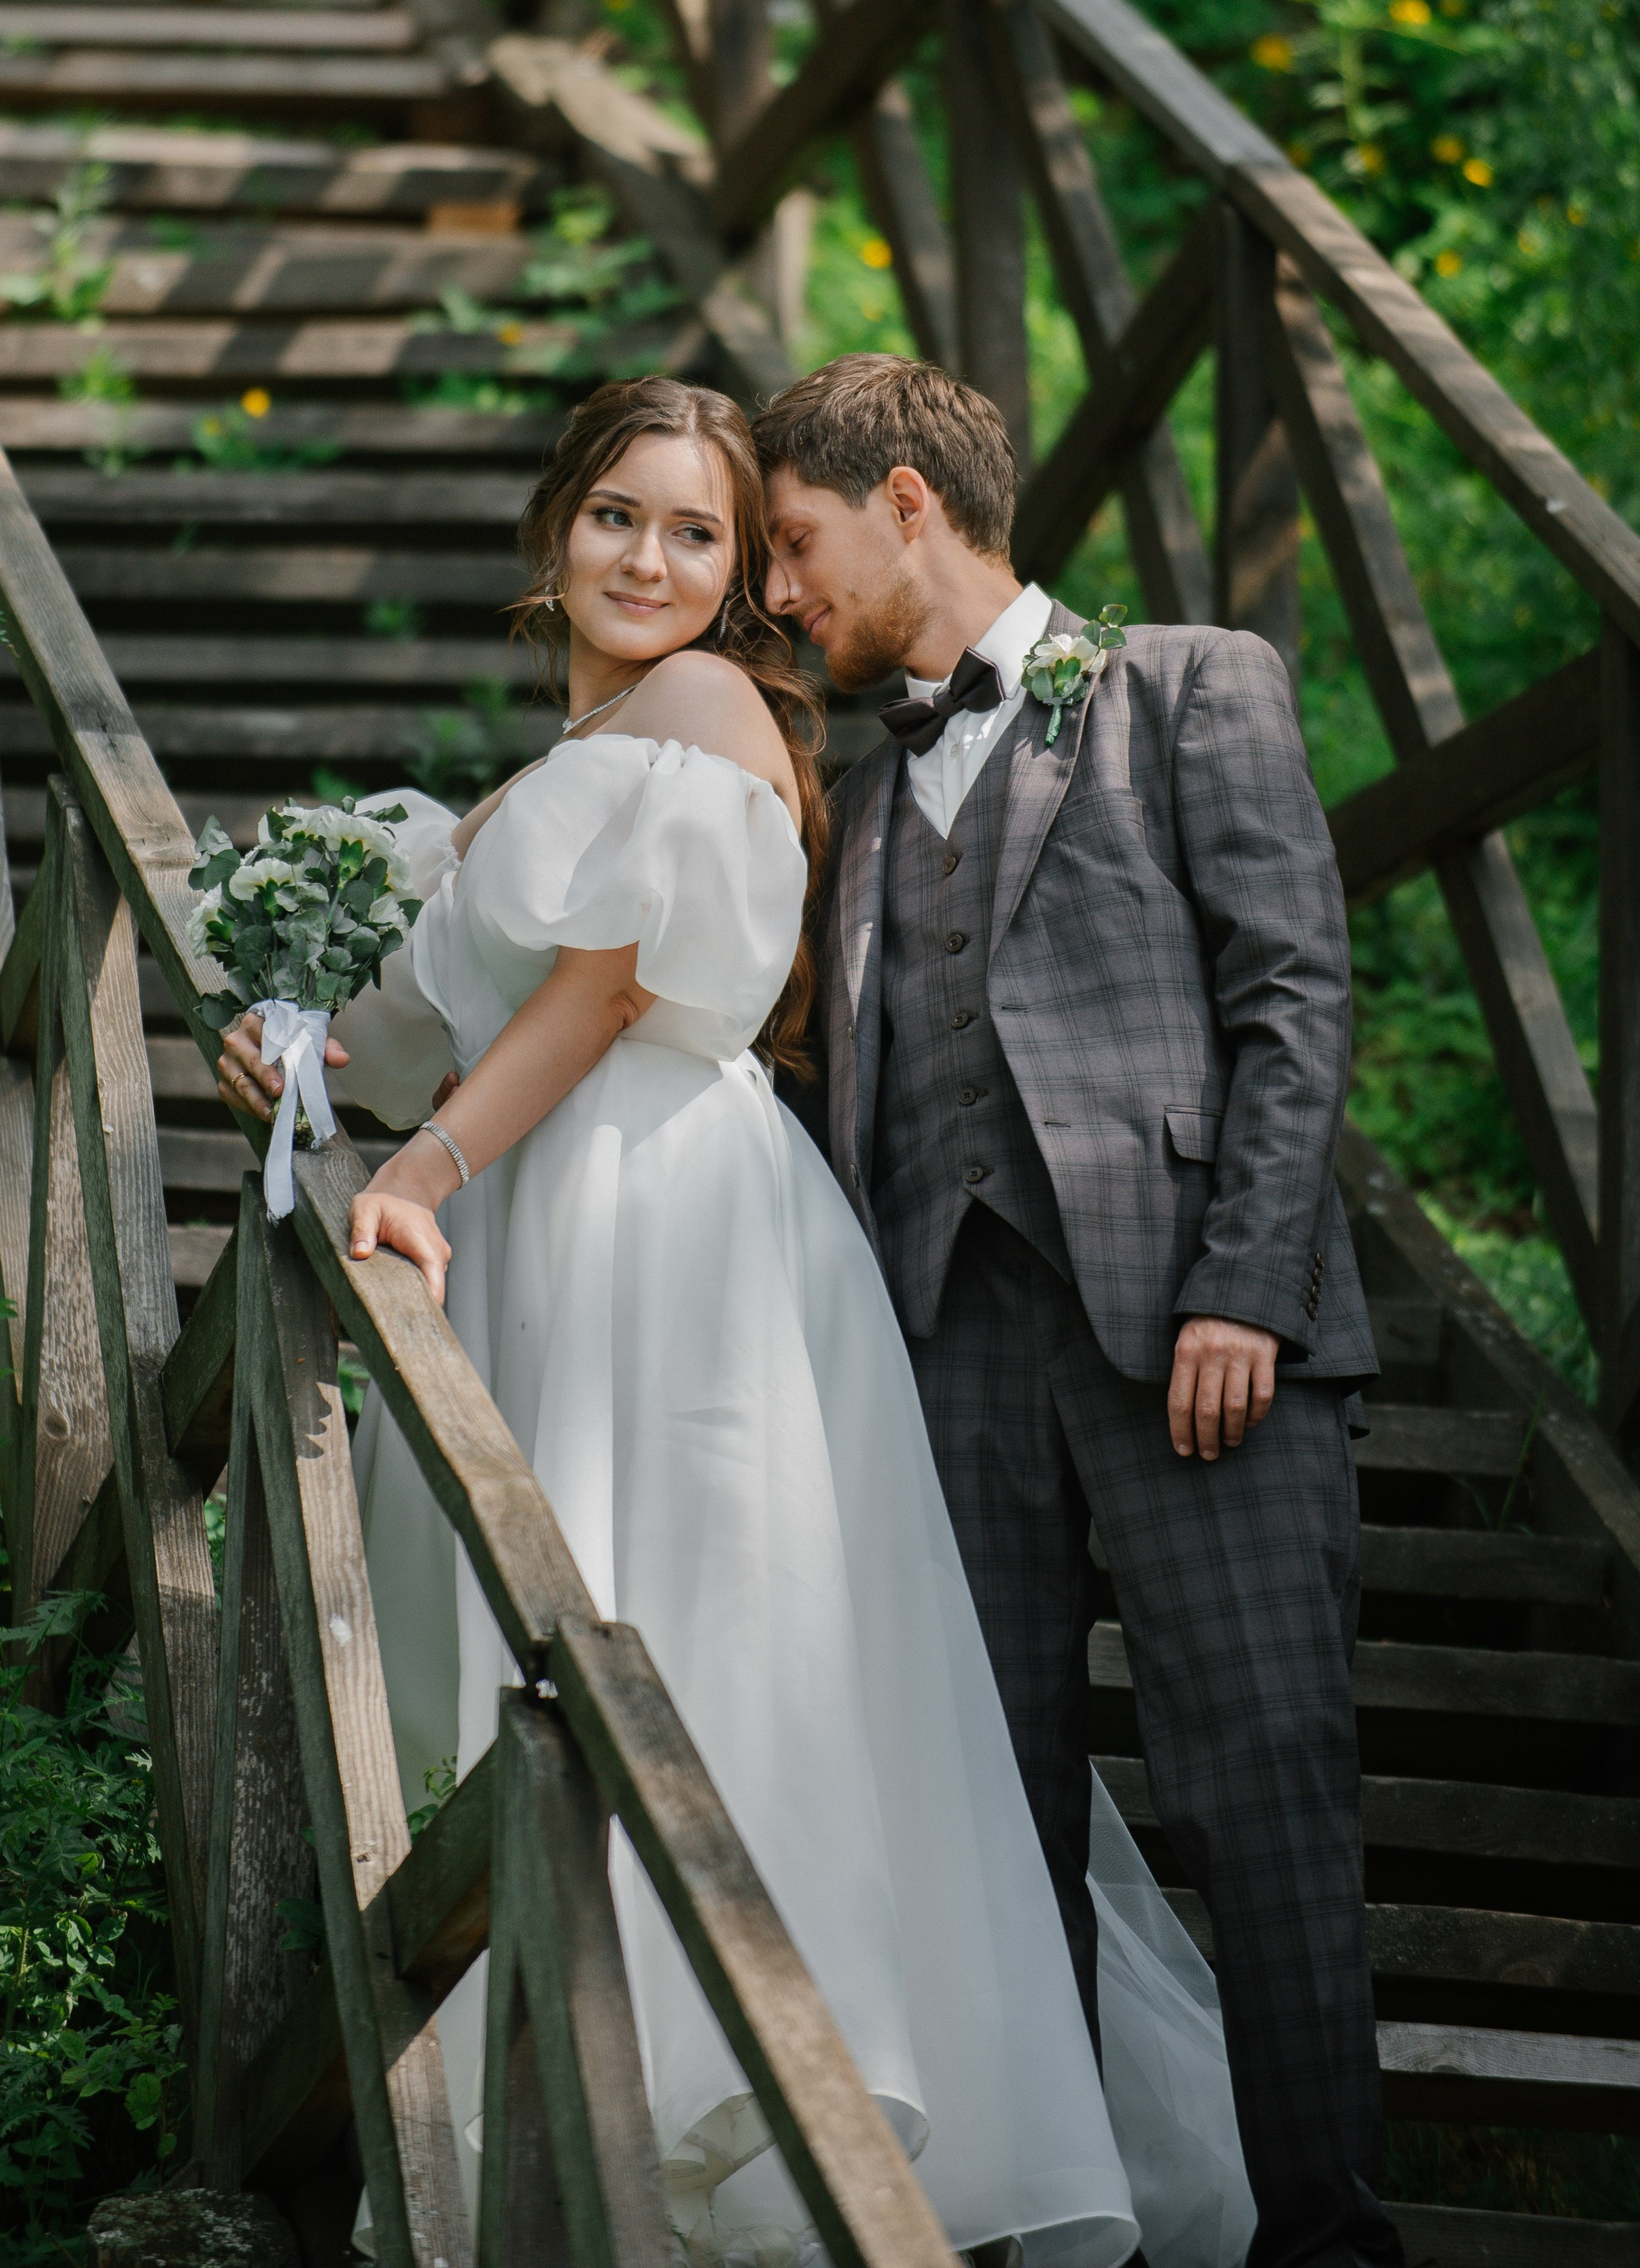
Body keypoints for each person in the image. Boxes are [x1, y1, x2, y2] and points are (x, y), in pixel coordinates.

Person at [220, 375, 1254, 2268]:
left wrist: (424, 1170)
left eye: (700, 533)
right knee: (572, 1638)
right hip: (556, 1203)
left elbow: (603, 991)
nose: (654, 557)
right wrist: (305, 1054)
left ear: (735, 583)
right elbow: (446, 1017)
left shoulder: (700, 712)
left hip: (663, 1227)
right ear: (556, 529)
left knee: (692, 1634)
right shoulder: (566, 754)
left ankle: (741, 2118)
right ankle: (568, 2104)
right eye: (620, 514)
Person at [749, 352, 1398, 2268]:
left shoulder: (1191, 685)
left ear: (905, 505)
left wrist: (1243, 1294)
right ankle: (1049, 2235)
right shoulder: (853, 810)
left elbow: (1291, 996)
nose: (780, 596)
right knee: (985, 1824)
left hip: (1202, 1350)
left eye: (792, 545)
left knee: (1260, 1800)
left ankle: (1330, 2245)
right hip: (944, 1362)